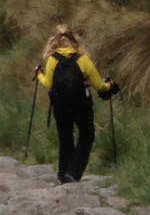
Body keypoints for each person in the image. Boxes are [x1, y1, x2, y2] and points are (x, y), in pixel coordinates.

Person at [36, 23, 117, 183]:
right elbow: (99, 86)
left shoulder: (52, 60)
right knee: (86, 136)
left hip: (60, 105)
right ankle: (73, 173)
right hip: (81, 105)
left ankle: (62, 172)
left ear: (54, 41)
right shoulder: (83, 59)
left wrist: (39, 74)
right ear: (74, 39)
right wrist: (110, 85)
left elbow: (49, 85)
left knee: (65, 138)